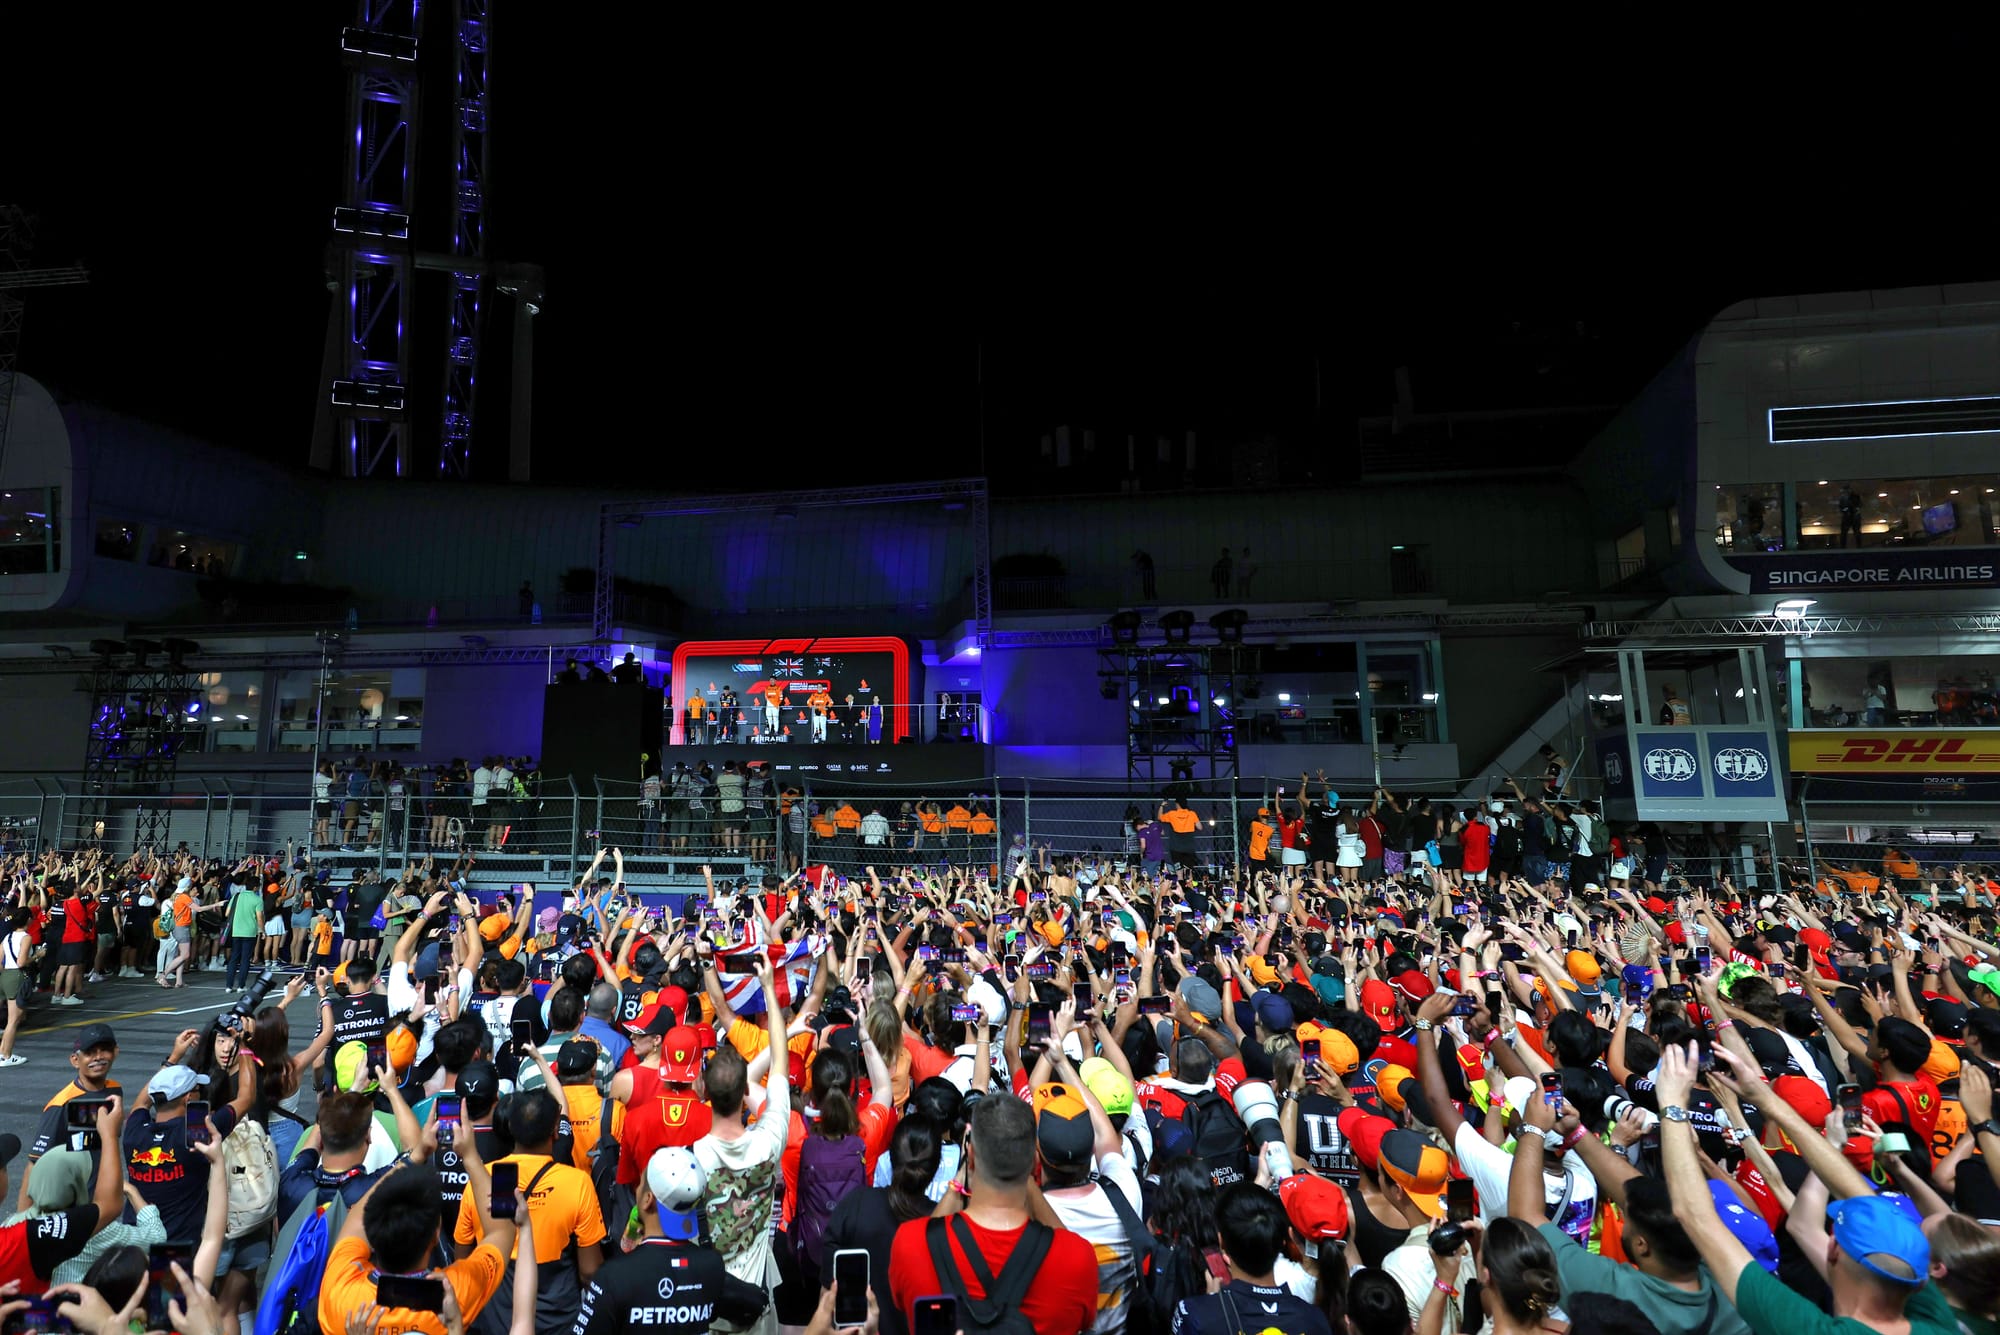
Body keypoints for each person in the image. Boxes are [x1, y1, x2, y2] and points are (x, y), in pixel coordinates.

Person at [888, 1093, 1098, 1335]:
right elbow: (1069, 1249)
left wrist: (961, 1178)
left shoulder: (909, 1243)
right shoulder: (1078, 1259)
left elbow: (922, 1247)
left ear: (972, 1157)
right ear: (1034, 1162)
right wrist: (1023, 1172)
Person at [572, 1147, 768, 1335]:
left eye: (640, 1184)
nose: (637, 1189)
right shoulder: (711, 1267)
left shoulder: (613, 1276)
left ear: (648, 1199)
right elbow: (752, 1303)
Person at [1169, 1182, 1333, 1335]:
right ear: (1282, 1242)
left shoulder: (1194, 1315)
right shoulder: (1316, 1319)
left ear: (1222, 1243)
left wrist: (1212, 1304)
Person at [19, 1024, 120, 1210]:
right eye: (90, 1052)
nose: (98, 1057)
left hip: (98, 1202)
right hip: (68, 1210)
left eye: (104, 1050)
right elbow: (34, 1164)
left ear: (116, 1052)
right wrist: (21, 1223)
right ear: (75, 1060)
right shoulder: (61, 1105)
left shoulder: (114, 1090)